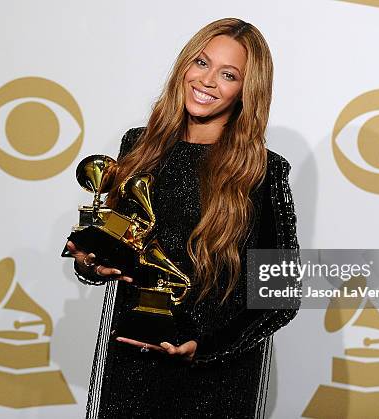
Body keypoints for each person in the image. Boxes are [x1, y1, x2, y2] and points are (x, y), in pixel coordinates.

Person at [65, 17, 301, 419]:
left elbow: (280, 297)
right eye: (201, 63)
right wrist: (91, 262)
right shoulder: (138, 146)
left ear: (247, 90)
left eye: (228, 74)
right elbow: (118, 243)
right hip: (131, 362)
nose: (208, 81)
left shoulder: (263, 171)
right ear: (184, 67)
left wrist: (206, 347)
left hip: (213, 379)